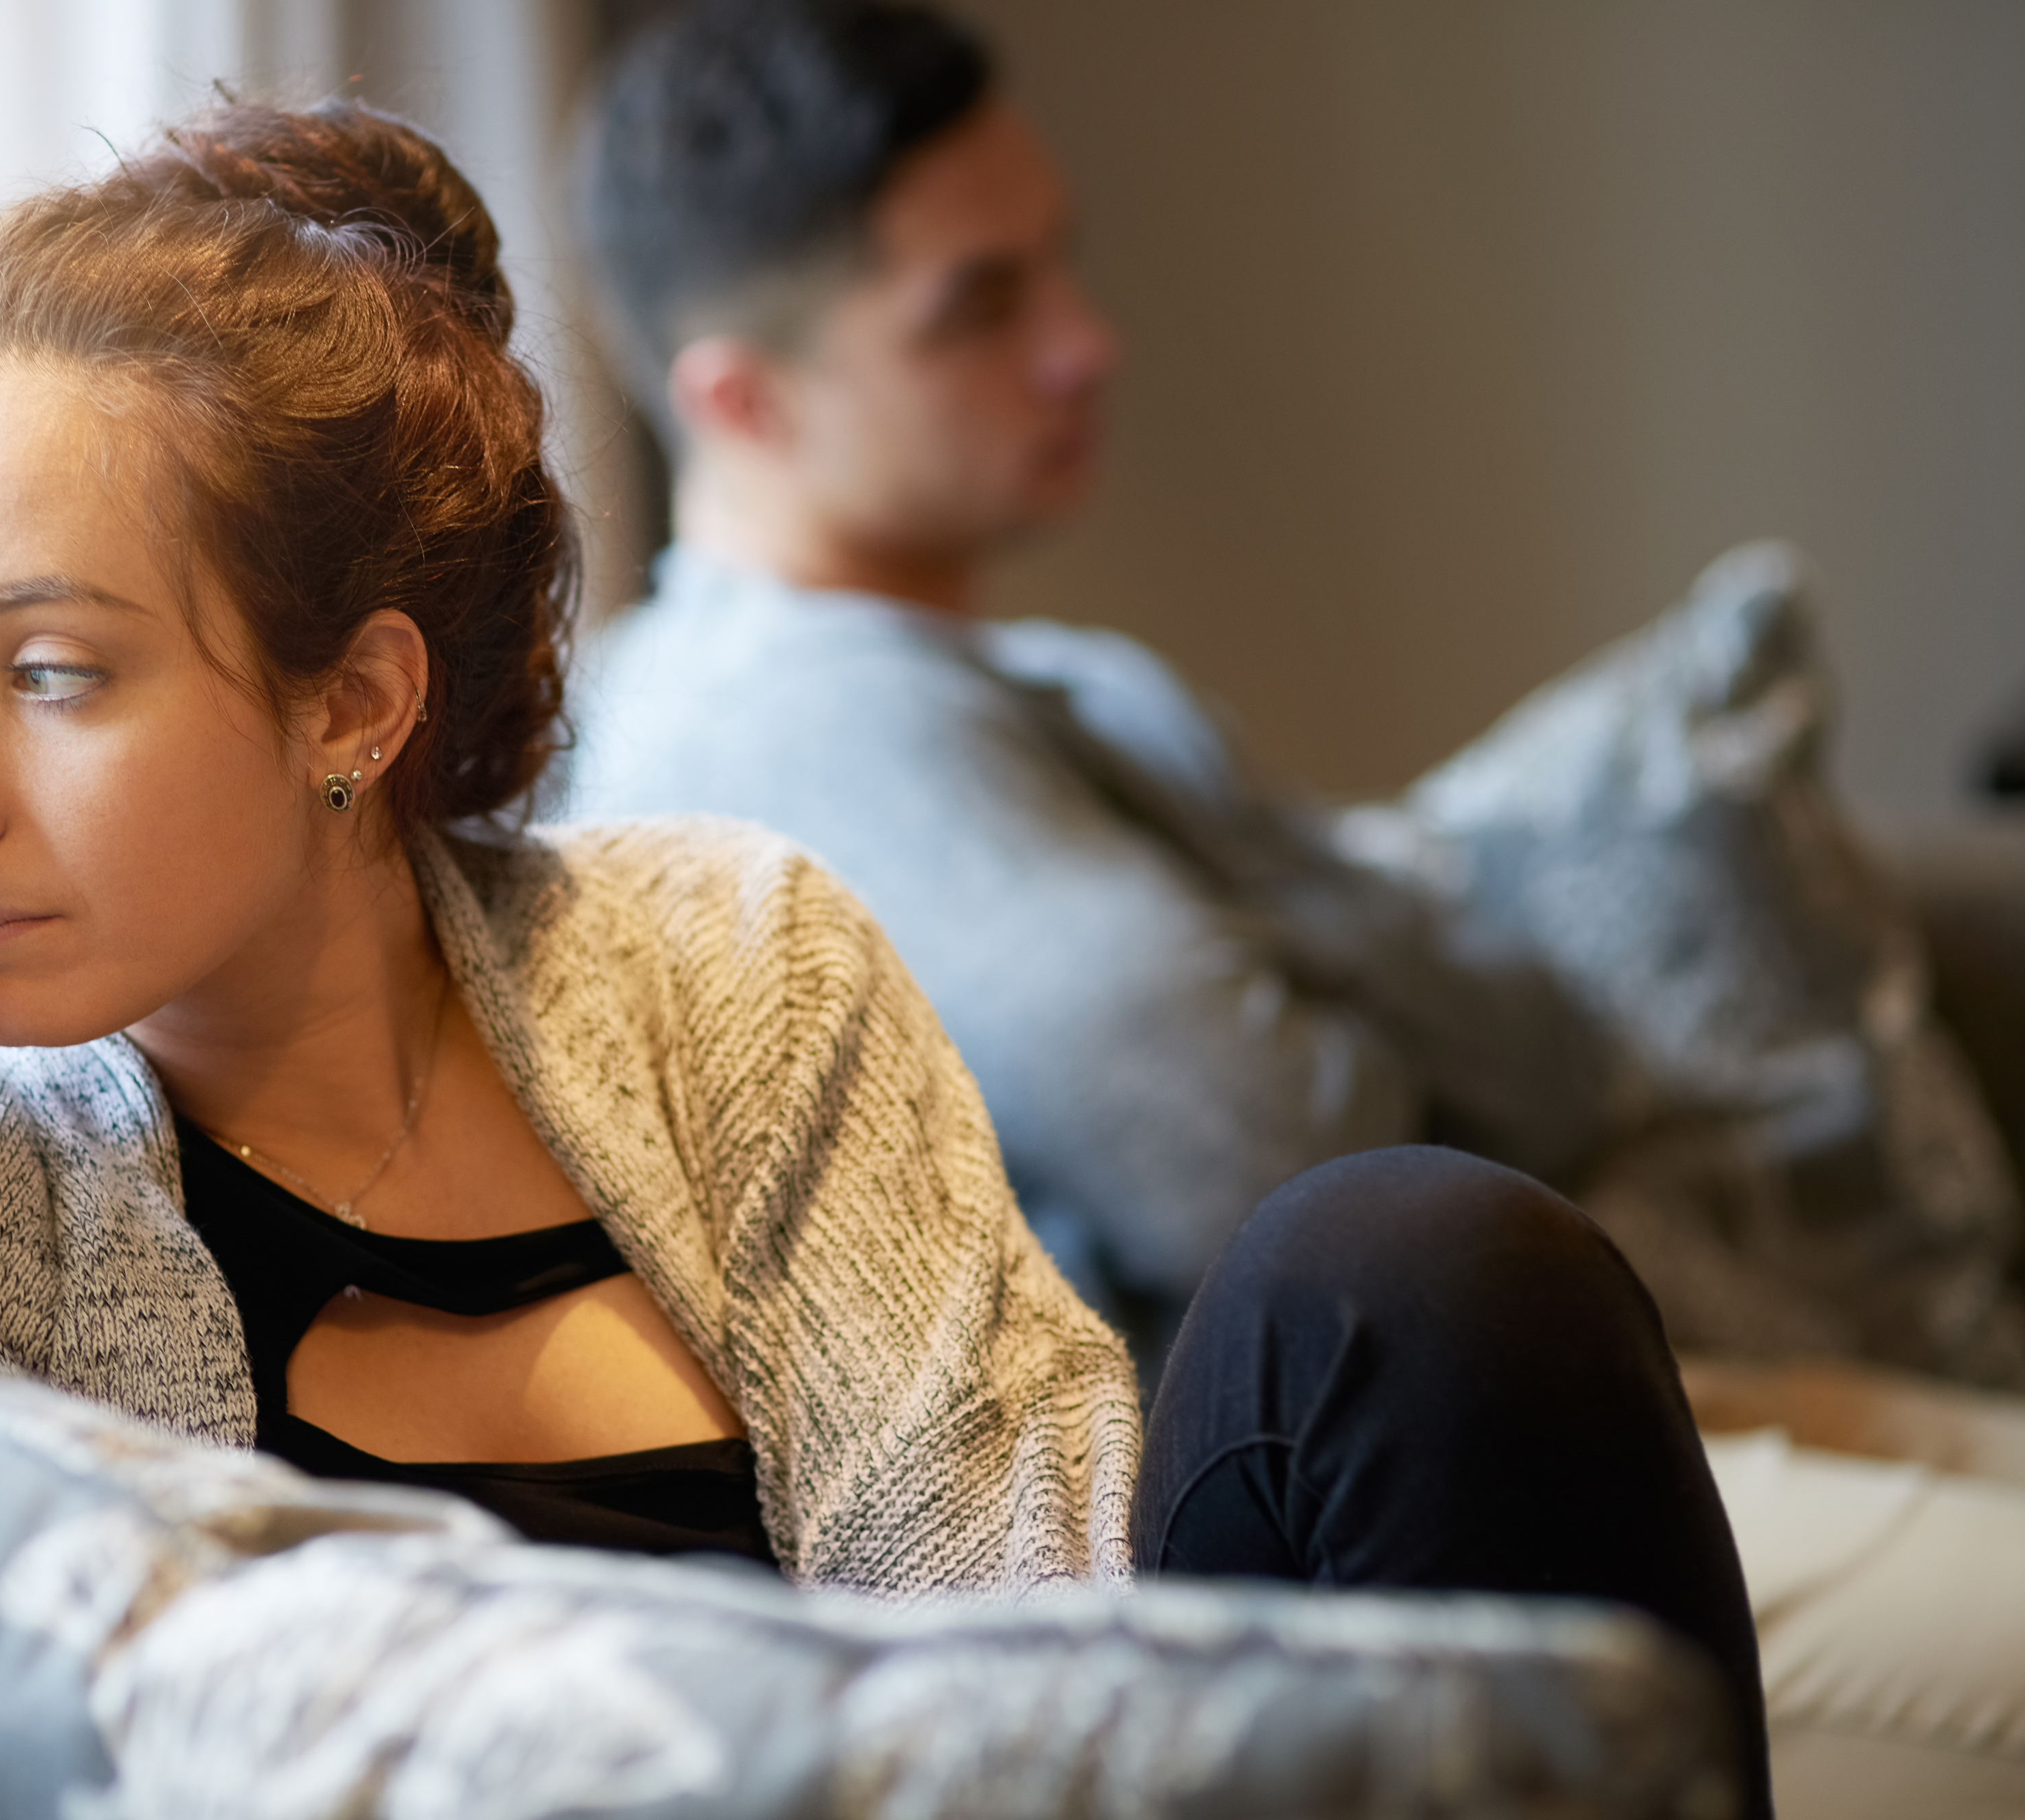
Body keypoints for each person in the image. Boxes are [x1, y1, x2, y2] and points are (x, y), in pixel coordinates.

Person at [0, 97, 1767, 1807]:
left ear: (351, 702)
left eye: (47, 672)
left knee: (1418, 1276)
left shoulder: (723, 963)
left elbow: (1011, 1617)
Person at [557, 0, 2025, 1394]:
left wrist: (1300, 960)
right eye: (979, 305)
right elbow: (1276, 1168)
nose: (1085, 344)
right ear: (741, 403)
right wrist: (1342, 941)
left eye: (1057, 264)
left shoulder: (1051, 686)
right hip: (1349, 1504)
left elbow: (1540, 1057)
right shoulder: (790, 723)